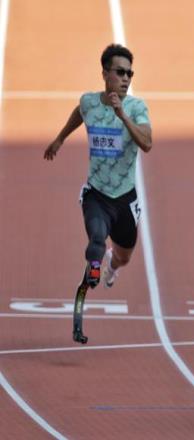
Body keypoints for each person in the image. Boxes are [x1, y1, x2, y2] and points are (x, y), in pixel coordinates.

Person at [44, 43, 152, 290]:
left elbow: (147, 143)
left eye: (129, 73)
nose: (126, 79)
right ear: (104, 73)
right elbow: (80, 112)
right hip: (97, 194)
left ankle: (111, 266)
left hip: (125, 198)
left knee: (124, 257)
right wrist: (60, 138)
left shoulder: (136, 108)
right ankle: (93, 265)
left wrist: (122, 115)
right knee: (96, 239)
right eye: (120, 72)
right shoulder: (89, 102)